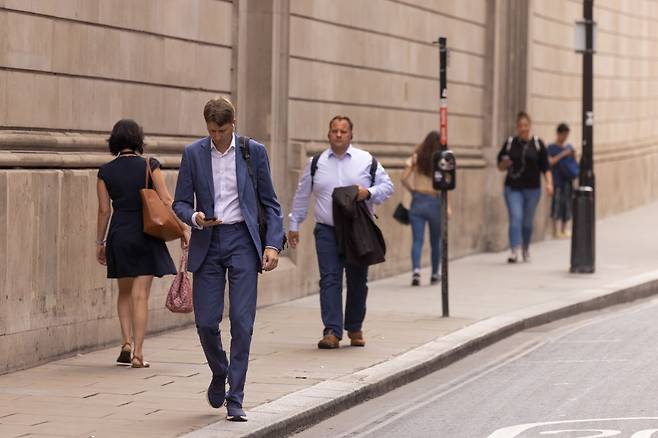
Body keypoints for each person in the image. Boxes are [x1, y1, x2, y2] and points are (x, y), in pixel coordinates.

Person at [172, 97, 284, 422]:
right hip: (207, 240)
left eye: (221, 130)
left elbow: (271, 204)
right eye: (211, 131)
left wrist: (272, 245)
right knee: (206, 322)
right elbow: (179, 202)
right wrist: (194, 217)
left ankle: (235, 398)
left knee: (242, 322)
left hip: (242, 242)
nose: (216, 137)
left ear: (232, 124)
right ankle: (220, 370)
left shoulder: (253, 152)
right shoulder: (194, 153)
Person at [288, 115, 394, 349]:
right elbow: (302, 194)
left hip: (357, 231)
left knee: (357, 280)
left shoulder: (366, 160)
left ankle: (354, 327)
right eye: (334, 130)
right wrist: (295, 224)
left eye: (343, 131)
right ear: (328, 134)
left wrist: (367, 193)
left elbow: (388, 187)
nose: (338, 134)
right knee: (329, 279)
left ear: (350, 135)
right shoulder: (316, 163)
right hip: (326, 230)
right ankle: (332, 331)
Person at [96, 119, 188, 369]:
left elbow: (104, 211)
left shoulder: (105, 171)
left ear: (114, 141)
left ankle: (125, 342)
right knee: (140, 296)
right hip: (146, 234)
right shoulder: (150, 164)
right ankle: (138, 354)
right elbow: (167, 200)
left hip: (119, 234)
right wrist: (182, 229)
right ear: (138, 140)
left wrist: (99, 242)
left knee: (124, 293)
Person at [497, 111, 553, 263]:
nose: (523, 128)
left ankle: (526, 248)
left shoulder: (537, 144)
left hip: (533, 189)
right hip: (513, 188)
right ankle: (514, 250)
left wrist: (549, 183)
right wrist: (504, 164)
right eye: (520, 126)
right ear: (516, 127)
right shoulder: (510, 143)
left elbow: (545, 167)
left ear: (530, 126)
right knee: (516, 218)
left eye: (525, 125)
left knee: (527, 222)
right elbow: (500, 166)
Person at [400, 131, 451, 286]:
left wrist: (413, 191)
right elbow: (447, 185)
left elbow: (403, 177)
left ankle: (416, 272)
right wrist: (448, 206)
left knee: (417, 240)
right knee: (435, 241)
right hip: (435, 201)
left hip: (418, 201)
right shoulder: (442, 160)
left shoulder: (417, 157)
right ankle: (435, 274)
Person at [547, 123, 576, 238]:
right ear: (558, 134)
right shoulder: (551, 148)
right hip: (557, 180)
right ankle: (555, 231)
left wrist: (572, 155)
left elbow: (574, 162)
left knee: (567, 204)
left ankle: (564, 229)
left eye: (566, 135)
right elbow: (549, 162)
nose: (565, 137)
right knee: (556, 204)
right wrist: (563, 154)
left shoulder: (569, 147)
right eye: (563, 134)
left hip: (567, 180)